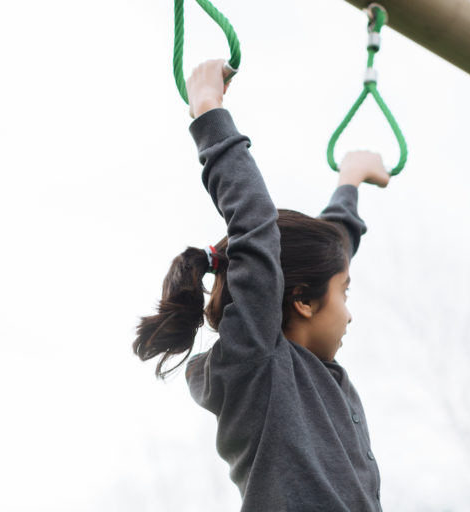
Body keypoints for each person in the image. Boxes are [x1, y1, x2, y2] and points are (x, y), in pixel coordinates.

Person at [133, 59, 391, 511]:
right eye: (344, 292)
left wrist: (348, 182)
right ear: (304, 302)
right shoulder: (258, 364)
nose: (349, 311)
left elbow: (325, 255)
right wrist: (208, 111)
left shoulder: (290, 366)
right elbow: (258, 230)